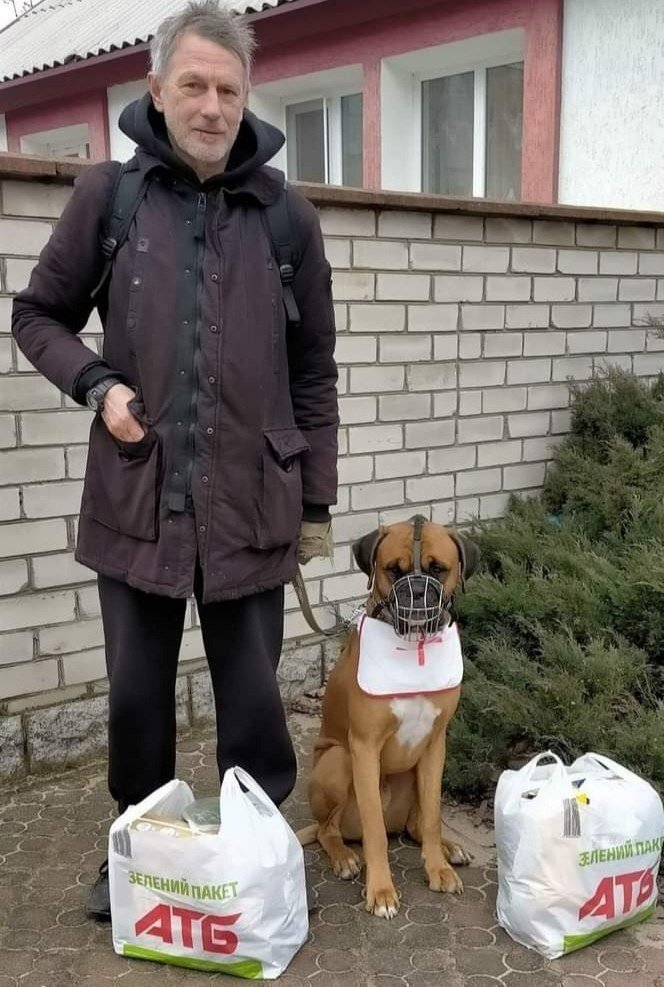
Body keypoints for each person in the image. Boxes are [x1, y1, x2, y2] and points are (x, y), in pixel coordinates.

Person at [11, 0, 338, 921]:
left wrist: (316, 501)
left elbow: (315, 370)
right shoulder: (107, 199)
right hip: (137, 498)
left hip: (253, 505)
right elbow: (36, 315)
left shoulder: (287, 221)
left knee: (253, 703)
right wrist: (97, 385)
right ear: (155, 90)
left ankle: (254, 854)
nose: (210, 104)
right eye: (192, 84)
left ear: (247, 99)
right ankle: (137, 854)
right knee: (137, 698)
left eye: (228, 88)